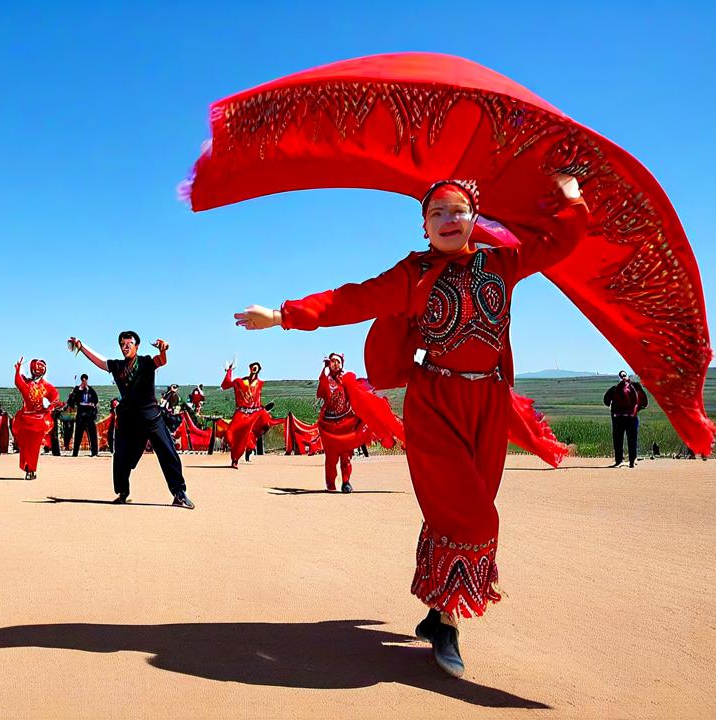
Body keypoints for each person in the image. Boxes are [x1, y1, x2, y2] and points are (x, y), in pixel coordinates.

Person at [235, 174, 588, 677]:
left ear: (475, 218)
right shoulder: (413, 273)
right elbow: (349, 299)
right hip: (436, 401)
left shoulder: (503, 263)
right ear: (424, 225)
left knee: (467, 507)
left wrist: (570, 195)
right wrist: (280, 315)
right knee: (473, 517)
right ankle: (448, 623)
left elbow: (561, 241)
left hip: (488, 402)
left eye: (458, 211)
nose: (448, 220)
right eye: (438, 213)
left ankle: (435, 612)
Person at [67, 332, 194, 508]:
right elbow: (99, 361)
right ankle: (123, 492)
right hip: (129, 420)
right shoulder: (117, 366)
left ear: (137, 346)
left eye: (129, 343)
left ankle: (179, 493)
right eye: (122, 344)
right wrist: (81, 347)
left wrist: (163, 350)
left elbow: (162, 361)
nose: (125, 346)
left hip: (152, 417)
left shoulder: (147, 362)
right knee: (122, 458)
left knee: (168, 453)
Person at [316, 353, 366, 493]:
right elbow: (321, 388)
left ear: (342, 364)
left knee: (346, 456)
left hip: (346, 423)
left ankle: (346, 482)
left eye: (338, 361)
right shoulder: (326, 380)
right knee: (331, 458)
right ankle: (331, 484)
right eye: (332, 361)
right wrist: (324, 370)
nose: (335, 364)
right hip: (329, 425)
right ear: (328, 364)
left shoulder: (347, 380)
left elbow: (358, 395)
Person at [12, 358, 62, 479]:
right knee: (24, 446)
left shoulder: (47, 387)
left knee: (34, 446)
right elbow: (18, 382)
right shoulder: (27, 383)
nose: (36, 371)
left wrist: (49, 406)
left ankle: (31, 469)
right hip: (25, 419)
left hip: (39, 420)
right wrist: (18, 370)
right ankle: (27, 466)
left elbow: (55, 397)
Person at [221, 361, 271, 469]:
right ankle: (235, 457)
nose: (254, 368)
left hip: (254, 413)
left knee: (265, 422)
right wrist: (229, 371)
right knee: (231, 435)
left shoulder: (260, 383)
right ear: (250, 368)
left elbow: (257, 398)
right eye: (253, 367)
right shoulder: (240, 381)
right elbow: (225, 385)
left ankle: (245, 451)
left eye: (257, 367)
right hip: (241, 413)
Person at [604, 370, 649, 468]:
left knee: (618, 440)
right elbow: (645, 403)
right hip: (632, 417)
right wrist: (637, 409)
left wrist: (614, 407)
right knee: (632, 439)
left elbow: (606, 400)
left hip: (617, 418)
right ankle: (632, 461)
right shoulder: (636, 387)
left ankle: (618, 461)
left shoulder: (614, 389)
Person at [66, 374, 100, 456]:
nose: (84, 382)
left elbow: (96, 400)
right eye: (83, 380)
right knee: (78, 435)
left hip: (90, 415)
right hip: (81, 414)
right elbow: (71, 401)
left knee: (92, 434)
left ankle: (94, 452)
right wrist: (78, 390)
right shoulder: (77, 389)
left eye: (86, 380)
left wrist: (92, 405)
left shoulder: (91, 390)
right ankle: (75, 453)